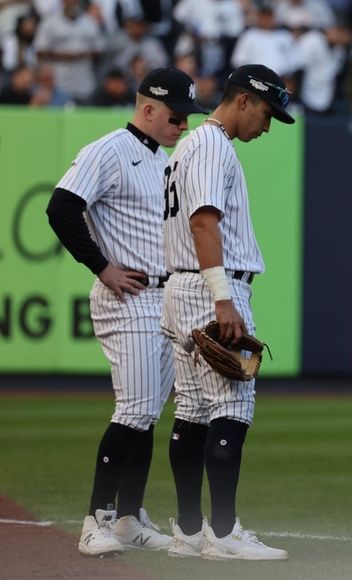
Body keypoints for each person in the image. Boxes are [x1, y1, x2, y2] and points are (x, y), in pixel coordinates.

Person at [46, 66, 207, 556]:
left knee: (148, 414)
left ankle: (130, 518)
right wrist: (101, 267)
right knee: (134, 410)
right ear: (148, 108)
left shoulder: (163, 159)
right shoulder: (109, 149)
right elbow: (60, 207)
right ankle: (97, 518)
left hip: (164, 297)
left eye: (187, 118)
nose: (183, 125)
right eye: (176, 116)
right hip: (128, 295)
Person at [161, 63, 295, 561]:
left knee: (193, 412)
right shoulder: (212, 145)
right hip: (209, 286)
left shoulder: (188, 148)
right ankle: (222, 534)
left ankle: (191, 532)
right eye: (265, 112)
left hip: (182, 286)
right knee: (232, 407)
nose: (266, 125)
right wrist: (222, 297)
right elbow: (203, 222)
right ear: (242, 100)